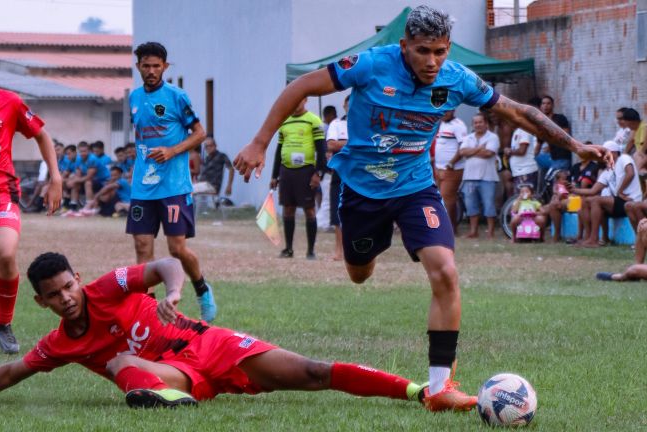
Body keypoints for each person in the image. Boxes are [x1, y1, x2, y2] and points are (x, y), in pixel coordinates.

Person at [233, 5, 609, 412]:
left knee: (445, 271)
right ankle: (368, 253)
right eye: (424, 51)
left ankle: (439, 386)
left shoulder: (457, 78)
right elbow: (301, 86)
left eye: (441, 51)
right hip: (362, 191)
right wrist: (259, 142)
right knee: (359, 273)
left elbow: (519, 112)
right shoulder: (371, 65)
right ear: (404, 46)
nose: (433, 61)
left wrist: (574, 146)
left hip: (416, 188)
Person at [0, 252, 430, 410]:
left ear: (78, 277)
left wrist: (172, 291)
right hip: (173, 377)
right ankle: (171, 401)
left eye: (69, 285)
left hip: (213, 345)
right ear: (42, 303)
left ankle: (419, 392)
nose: (67, 297)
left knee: (314, 373)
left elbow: (165, 263)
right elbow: (11, 373)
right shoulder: (57, 345)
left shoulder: (107, 287)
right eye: (55, 295)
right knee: (119, 362)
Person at [127, 41, 216, 322]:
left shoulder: (177, 96)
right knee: (142, 247)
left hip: (174, 187)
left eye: (156, 66)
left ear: (165, 66)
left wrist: (172, 151)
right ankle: (148, 313)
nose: (151, 71)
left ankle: (202, 288)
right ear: (138, 66)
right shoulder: (133, 98)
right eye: (146, 66)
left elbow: (200, 133)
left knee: (176, 248)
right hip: (143, 186)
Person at [0, 89, 62, 353]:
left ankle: (3, 325)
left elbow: (41, 135)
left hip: (3, 192)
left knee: (5, 253)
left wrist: (55, 178)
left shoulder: (9, 101)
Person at [270, 97, 326, 260]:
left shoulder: (313, 121)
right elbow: (279, 150)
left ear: (305, 100)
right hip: (287, 171)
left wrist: (319, 173)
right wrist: (274, 175)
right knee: (288, 209)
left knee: (309, 209)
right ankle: (288, 249)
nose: (295, 103)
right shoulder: (284, 121)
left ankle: (310, 251)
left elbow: (321, 150)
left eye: (298, 100)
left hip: (306, 171)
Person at [578, 141, 641, 248]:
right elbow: (593, 191)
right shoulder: (607, 171)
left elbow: (630, 173)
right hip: (618, 201)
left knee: (596, 200)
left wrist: (620, 191)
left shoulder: (624, 158)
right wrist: (573, 190)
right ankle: (589, 238)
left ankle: (594, 239)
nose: (602, 156)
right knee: (586, 200)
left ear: (614, 152)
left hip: (630, 200)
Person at [460, 113, 500, 239]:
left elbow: (489, 153)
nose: (478, 125)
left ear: (486, 123)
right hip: (469, 177)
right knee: (471, 205)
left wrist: (471, 152)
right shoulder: (469, 137)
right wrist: (479, 149)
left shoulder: (493, 137)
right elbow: (462, 152)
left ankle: (491, 232)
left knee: (489, 205)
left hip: (487, 177)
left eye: (480, 122)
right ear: (473, 125)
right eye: (475, 123)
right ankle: (473, 231)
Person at [433, 110, 467, 234]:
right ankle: (443, 227)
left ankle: (451, 229)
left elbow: (463, 147)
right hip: (439, 167)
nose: (445, 113)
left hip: (452, 168)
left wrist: (451, 163)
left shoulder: (458, 125)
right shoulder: (441, 124)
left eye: (448, 111)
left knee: (447, 198)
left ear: (453, 110)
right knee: (438, 198)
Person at [326, 95, 350, 260]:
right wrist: (354, 143)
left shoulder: (365, 122)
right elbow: (331, 145)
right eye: (349, 104)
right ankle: (338, 250)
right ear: (344, 105)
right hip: (340, 172)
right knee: (337, 212)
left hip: (360, 173)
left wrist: (342, 143)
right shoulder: (336, 123)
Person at [64, 141, 110, 214]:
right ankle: (73, 207)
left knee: (87, 183)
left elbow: (89, 177)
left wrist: (74, 180)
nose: (83, 153)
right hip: (92, 180)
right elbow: (78, 174)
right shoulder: (78, 159)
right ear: (78, 151)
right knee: (75, 183)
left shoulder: (93, 159)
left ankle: (89, 207)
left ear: (89, 151)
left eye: (85, 151)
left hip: (104, 181)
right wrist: (72, 180)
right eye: (81, 151)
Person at [540, 95, 572, 170]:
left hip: (562, 157)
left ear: (552, 105)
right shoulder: (542, 123)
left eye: (548, 103)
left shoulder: (560, 118)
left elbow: (565, 135)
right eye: (543, 103)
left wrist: (551, 143)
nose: (546, 106)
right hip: (551, 158)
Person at [505, 127, 539, 192]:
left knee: (525, 199)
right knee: (520, 199)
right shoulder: (517, 131)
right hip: (520, 171)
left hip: (525, 171)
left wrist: (509, 151)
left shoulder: (524, 131)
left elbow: (522, 151)